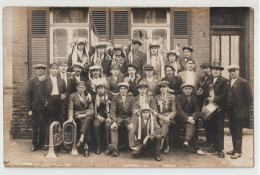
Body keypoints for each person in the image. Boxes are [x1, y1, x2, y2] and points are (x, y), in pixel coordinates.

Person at [225, 65, 253, 159]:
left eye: (234, 71)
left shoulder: (243, 82)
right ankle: (234, 149)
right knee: (233, 130)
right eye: (230, 71)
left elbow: (249, 99)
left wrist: (243, 109)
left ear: (238, 71)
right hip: (231, 111)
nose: (232, 73)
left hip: (239, 111)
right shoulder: (229, 82)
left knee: (238, 131)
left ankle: (238, 151)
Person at [203, 62, 228, 158]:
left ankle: (220, 149)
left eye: (218, 69)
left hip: (219, 108)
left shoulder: (224, 81)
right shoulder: (209, 81)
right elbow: (206, 95)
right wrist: (204, 105)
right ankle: (214, 145)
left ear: (221, 71)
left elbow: (224, 95)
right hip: (210, 107)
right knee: (210, 126)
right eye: (214, 69)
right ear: (211, 70)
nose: (215, 71)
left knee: (219, 128)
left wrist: (214, 99)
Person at [67, 81, 94, 157]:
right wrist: (70, 117)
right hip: (77, 116)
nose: (81, 89)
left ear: (85, 88)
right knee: (86, 120)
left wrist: (83, 115)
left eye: (82, 88)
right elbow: (70, 108)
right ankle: (85, 145)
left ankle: (82, 139)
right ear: (76, 88)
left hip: (84, 116)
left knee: (86, 119)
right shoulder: (72, 96)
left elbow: (92, 110)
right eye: (79, 88)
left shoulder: (88, 96)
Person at [176, 84, 204, 155]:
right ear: (183, 90)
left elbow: (197, 110)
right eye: (186, 89)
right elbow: (179, 110)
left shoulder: (194, 98)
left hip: (191, 118)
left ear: (191, 90)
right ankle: (196, 147)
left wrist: (192, 117)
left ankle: (187, 140)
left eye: (189, 89)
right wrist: (187, 118)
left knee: (190, 125)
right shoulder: (179, 97)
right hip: (181, 119)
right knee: (191, 125)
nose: (188, 91)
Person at [44, 63, 68, 147]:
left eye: (56, 69)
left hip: (60, 102)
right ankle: (48, 144)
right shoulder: (45, 80)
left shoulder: (61, 80)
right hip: (50, 101)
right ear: (49, 70)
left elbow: (66, 91)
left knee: (60, 122)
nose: (55, 70)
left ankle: (59, 144)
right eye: (53, 68)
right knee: (50, 123)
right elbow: (41, 93)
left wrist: (64, 95)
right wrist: (45, 101)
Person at [110, 82, 135, 157]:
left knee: (133, 128)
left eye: (125, 89)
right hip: (119, 117)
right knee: (113, 128)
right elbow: (113, 110)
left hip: (128, 117)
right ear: (119, 90)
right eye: (121, 89)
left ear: (127, 90)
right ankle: (114, 148)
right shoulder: (115, 98)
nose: (123, 91)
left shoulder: (131, 98)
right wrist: (114, 121)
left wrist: (132, 123)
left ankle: (132, 147)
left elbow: (134, 112)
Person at [26, 64, 47, 151]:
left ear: (44, 71)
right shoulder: (32, 81)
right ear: (36, 70)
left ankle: (41, 143)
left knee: (43, 127)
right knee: (35, 128)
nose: (40, 70)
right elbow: (28, 96)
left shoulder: (47, 80)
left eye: (42, 69)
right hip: (34, 109)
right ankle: (34, 144)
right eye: (38, 69)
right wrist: (29, 109)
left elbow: (48, 92)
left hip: (44, 109)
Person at [155, 81, 177, 154]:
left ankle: (162, 143)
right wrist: (161, 116)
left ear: (167, 88)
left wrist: (168, 117)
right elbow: (155, 111)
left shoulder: (172, 96)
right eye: (161, 87)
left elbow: (174, 110)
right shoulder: (157, 97)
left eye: (164, 87)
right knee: (164, 123)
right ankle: (166, 145)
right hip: (160, 117)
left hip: (169, 117)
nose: (163, 89)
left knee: (165, 123)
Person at [92, 80, 112, 155]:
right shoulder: (93, 97)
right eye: (98, 88)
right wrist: (97, 116)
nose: (100, 90)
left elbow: (112, 108)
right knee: (96, 125)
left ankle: (107, 146)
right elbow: (92, 108)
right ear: (96, 89)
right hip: (97, 116)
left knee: (107, 125)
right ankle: (98, 145)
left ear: (104, 89)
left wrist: (108, 117)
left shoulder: (109, 96)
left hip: (107, 116)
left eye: (102, 88)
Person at [197, 62, 214, 146]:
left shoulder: (212, 78)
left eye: (206, 68)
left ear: (210, 69)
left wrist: (205, 104)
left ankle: (211, 141)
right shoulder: (203, 78)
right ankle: (208, 140)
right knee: (205, 122)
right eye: (203, 69)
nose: (204, 70)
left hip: (210, 104)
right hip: (203, 103)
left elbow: (211, 93)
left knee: (210, 123)